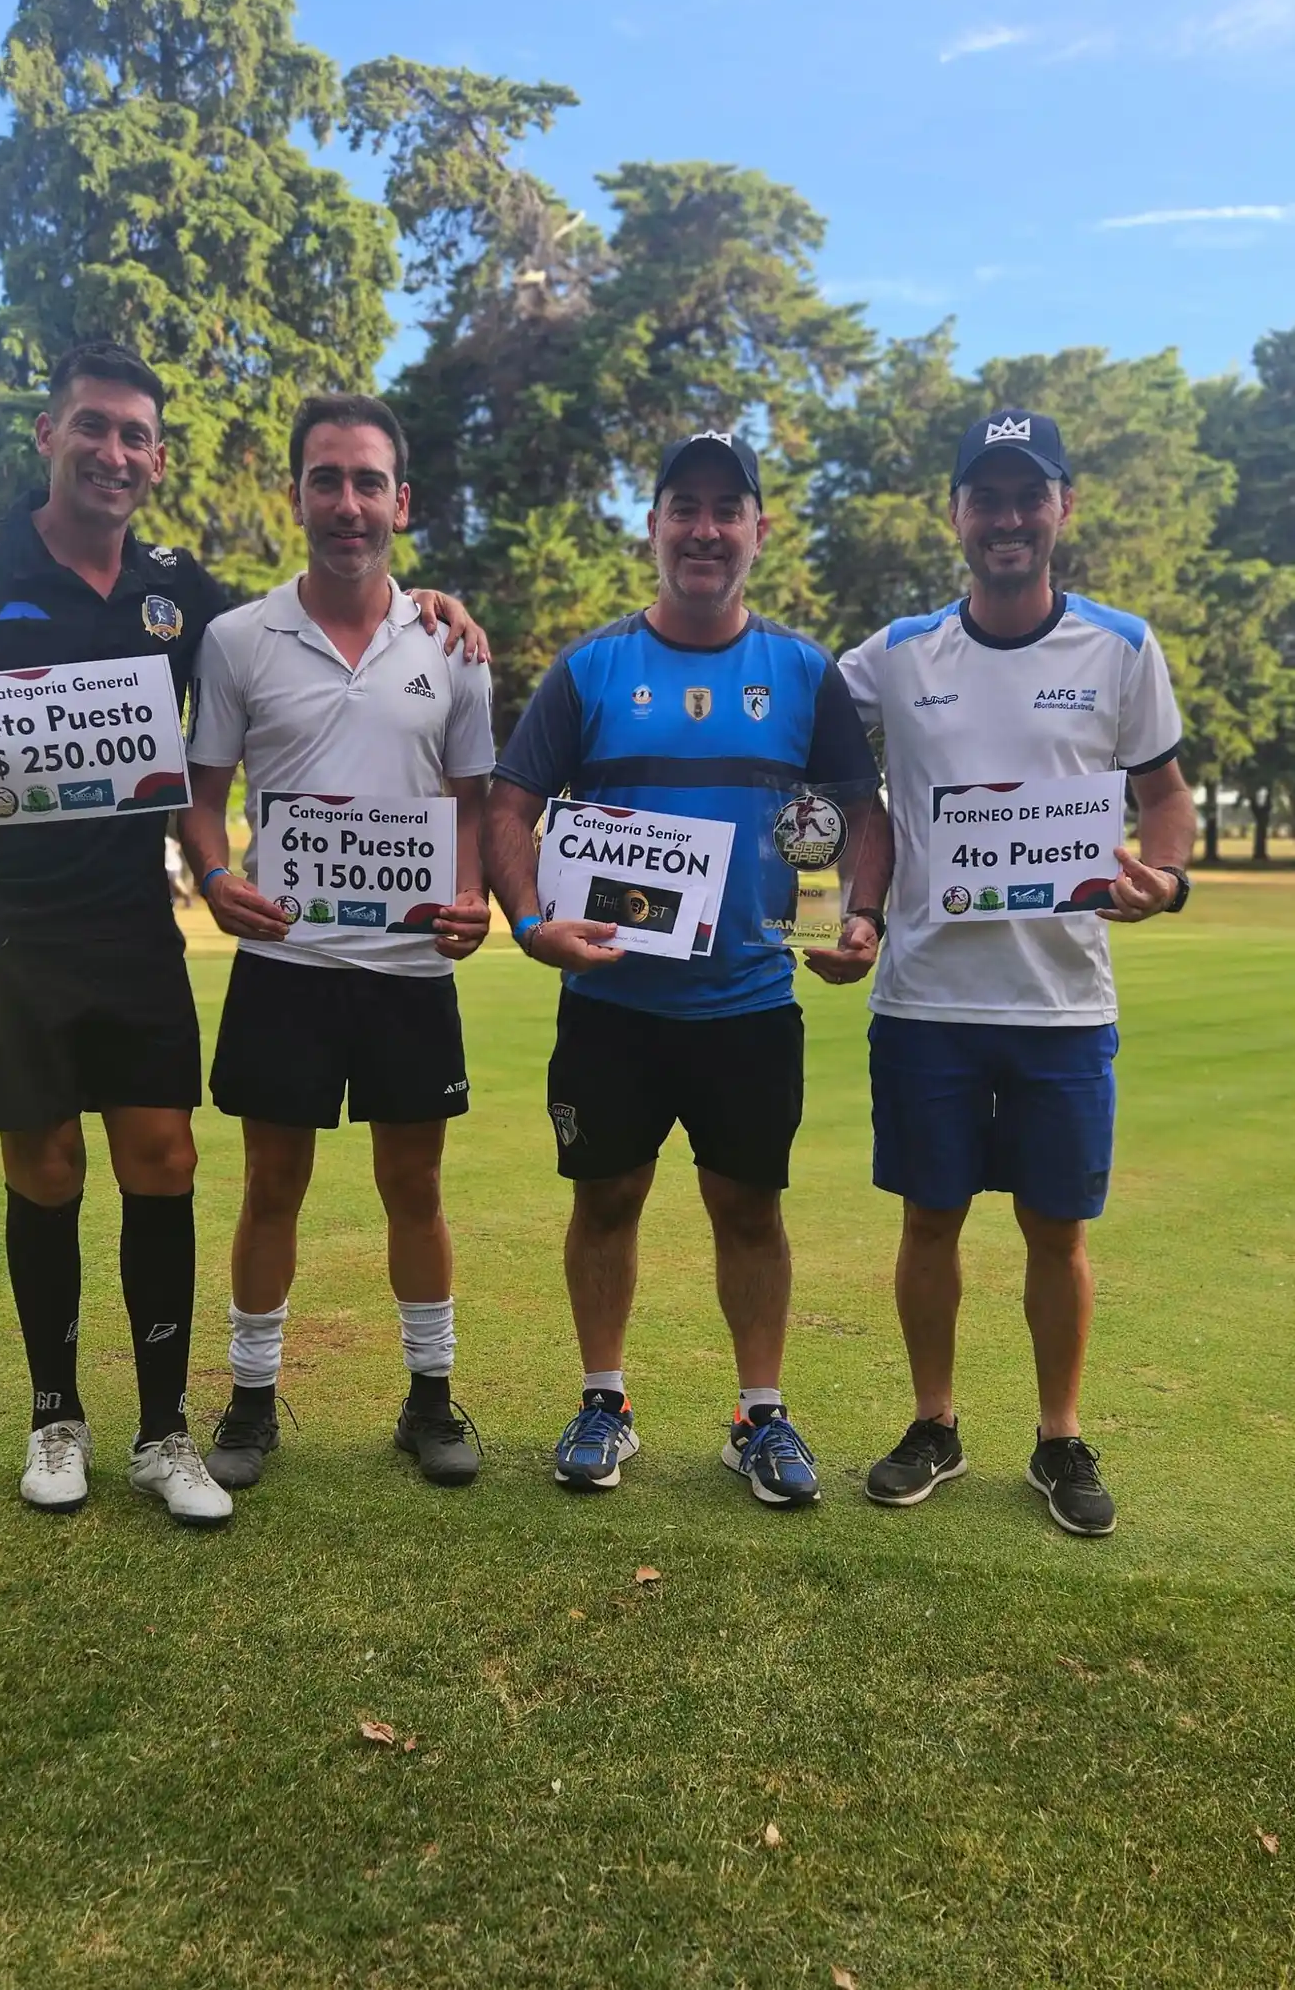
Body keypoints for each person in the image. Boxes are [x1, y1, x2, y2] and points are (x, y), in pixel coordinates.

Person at [0, 344, 483, 1525]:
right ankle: (58, 1415)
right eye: (93, 427)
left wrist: (430, 607)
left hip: (130, 918)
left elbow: (320, 625)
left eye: (136, 436)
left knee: (167, 1157)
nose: (114, 451)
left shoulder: (178, 589)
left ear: (156, 458)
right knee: (44, 1163)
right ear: (50, 432)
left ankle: (161, 1431)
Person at [485, 431, 888, 1508]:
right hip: (610, 1003)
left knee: (748, 1206)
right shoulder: (591, 669)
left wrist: (863, 917)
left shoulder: (804, 674)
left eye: (727, 509)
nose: (704, 529)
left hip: (750, 1006)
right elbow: (511, 807)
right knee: (606, 1195)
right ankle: (603, 1399)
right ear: (652, 525)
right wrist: (529, 923)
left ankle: (760, 1414)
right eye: (683, 507)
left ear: (758, 530)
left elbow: (861, 814)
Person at [828, 408, 1195, 1538]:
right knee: (928, 1222)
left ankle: (1056, 1435)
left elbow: (1166, 796)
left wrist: (1168, 880)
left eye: (1027, 494)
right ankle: (935, 1421)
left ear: (1062, 508)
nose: (1006, 517)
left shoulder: (1122, 647)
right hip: (927, 1001)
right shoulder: (895, 655)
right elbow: (787, 708)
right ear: (957, 514)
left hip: (1062, 1004)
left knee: (1057, 1233)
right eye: (985, 496)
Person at [180, 395, 494, 1491]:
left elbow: (470, 803)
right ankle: (253, 1402)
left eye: (369, 481)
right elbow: (201, 794)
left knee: (417, 1188)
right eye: (328, 479)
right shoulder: (235, 639)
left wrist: (470, 900)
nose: (348, 502)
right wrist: (217, 876)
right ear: (299, 494)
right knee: (272, 1186)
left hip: (409, 969)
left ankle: (430, 1399)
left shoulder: (452, 644)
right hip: (287, 963)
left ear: (400, 501)